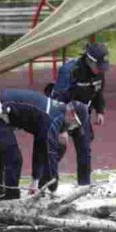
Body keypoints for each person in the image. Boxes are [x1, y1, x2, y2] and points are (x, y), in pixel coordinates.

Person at [0, 89, 90, 201]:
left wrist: (35, 181)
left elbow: (40, 148)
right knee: (13, 159)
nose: (71, 129)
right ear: (71, 114)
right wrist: (53, 188)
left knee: (1, 155)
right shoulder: (53, 119)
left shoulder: (55, 113)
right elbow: (51, 155)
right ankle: (10, 199)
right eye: (75, 125)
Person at [47, 43, 110, 187]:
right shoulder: (69, 71)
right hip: (63, 111)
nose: (100, 70)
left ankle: (84, 185)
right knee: (58, 147)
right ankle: (48, 182)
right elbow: (57, 99)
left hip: (82, 114)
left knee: (85, 148)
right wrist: (62, 128)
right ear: (89, 60)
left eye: (103, 67)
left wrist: (100, 111)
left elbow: (98, 92)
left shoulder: (100, 72)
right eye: (98, 66)